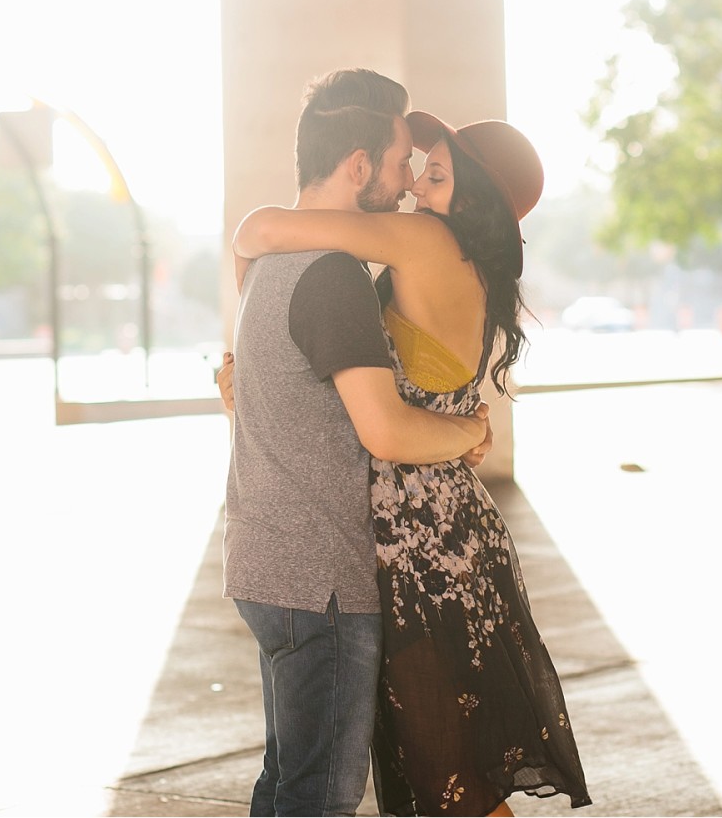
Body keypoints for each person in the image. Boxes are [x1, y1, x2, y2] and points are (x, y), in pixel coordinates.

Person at [225, 110, 593, 817]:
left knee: (450, 785)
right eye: (421, 167)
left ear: (476, 198)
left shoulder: (425, 240)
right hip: (430, 532)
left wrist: (253, 318)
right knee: (446, 784)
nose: (417, 186)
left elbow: (259, 231)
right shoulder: (462, 260)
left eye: (438, 174)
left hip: (424, 546)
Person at [223, 68, 493, 818]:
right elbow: (385, 428)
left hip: (261, 564)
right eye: (404, 159)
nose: (408, 182)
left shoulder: (266, 267)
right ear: (359, 165)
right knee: (318, 799)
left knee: (283, 784)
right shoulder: (335, 273)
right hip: (323, 583)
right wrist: (472, 432)